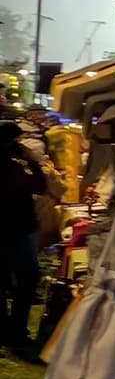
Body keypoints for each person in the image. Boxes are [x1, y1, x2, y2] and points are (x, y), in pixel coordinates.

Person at [1, 122, 51, 351]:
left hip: (16, 232)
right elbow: (38, 187)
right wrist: (33, 163)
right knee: (27, 280)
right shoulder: (11, 167)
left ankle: (9, 331)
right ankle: (15, 332)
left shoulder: (13, 165)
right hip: (17, 232)